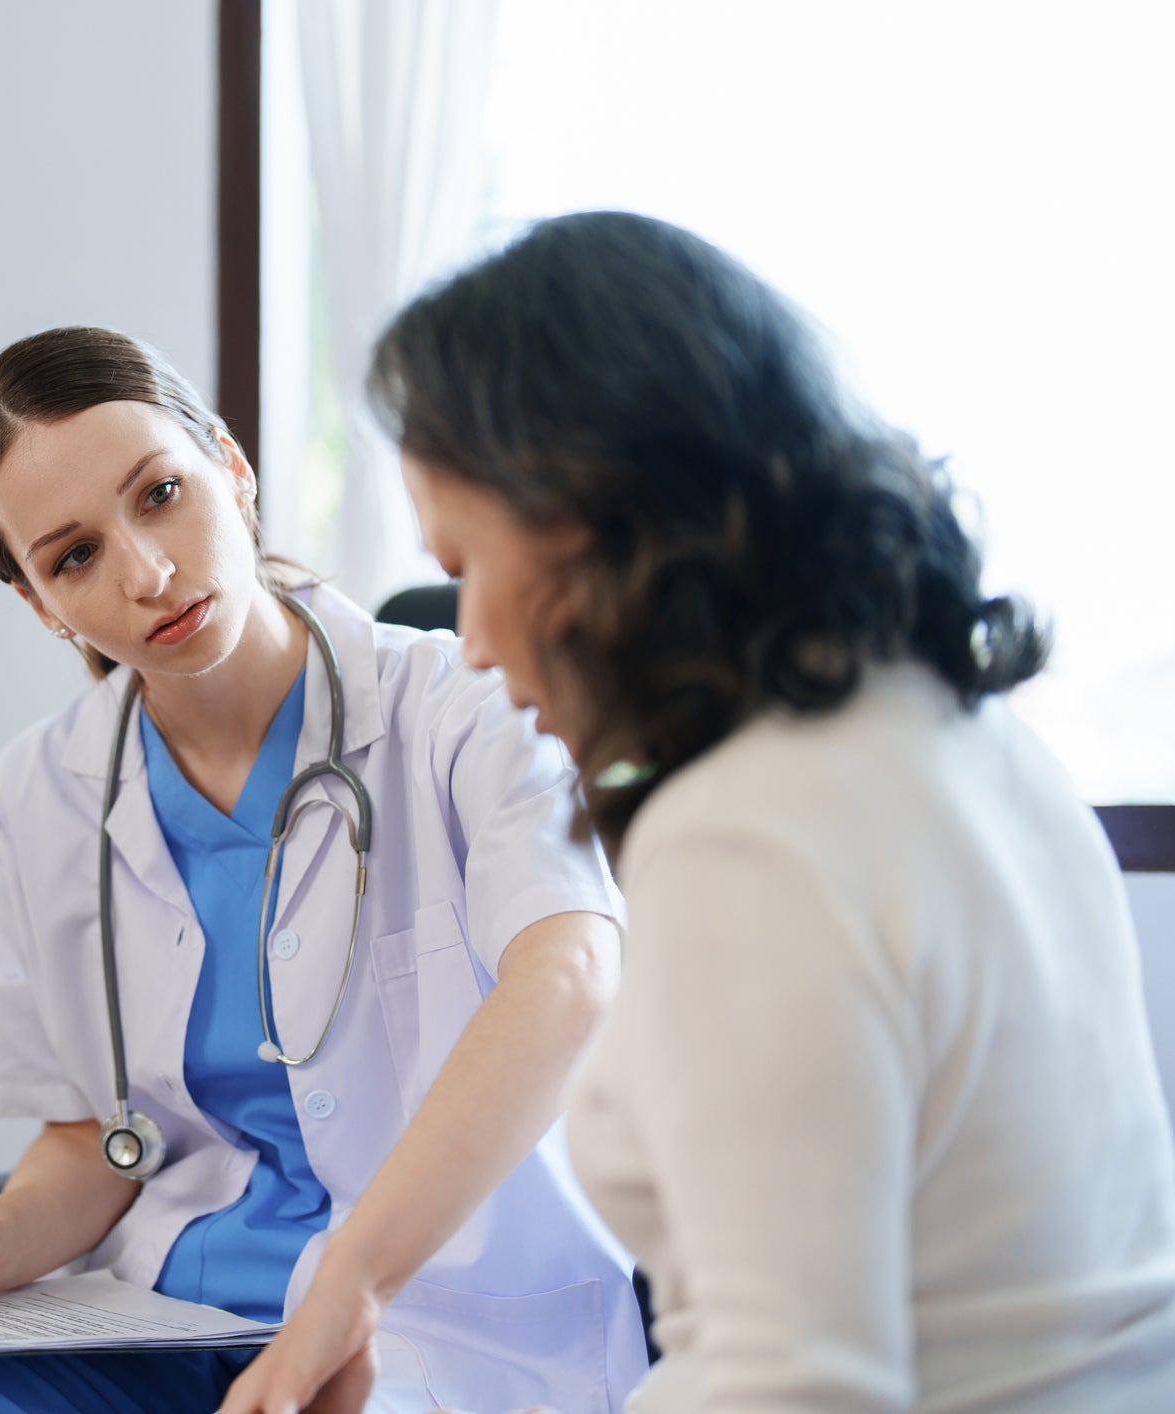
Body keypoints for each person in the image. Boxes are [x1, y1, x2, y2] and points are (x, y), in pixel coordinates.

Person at [311, 208, 1175, 1411]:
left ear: (598, 517)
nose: (468, 643)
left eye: (468, 567)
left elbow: (794, 1389)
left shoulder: (749, 839)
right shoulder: (966, 735)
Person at [0, 327, 649, 1413]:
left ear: (233, 468)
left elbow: (570, 975)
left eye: (160, 492)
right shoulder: (39, 797)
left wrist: (350, 1282)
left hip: (432, 1325)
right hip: (166, 1321)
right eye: (74, 556)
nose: (146, 571)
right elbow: (100, 1135)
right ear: (37, 602)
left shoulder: (462, 706)